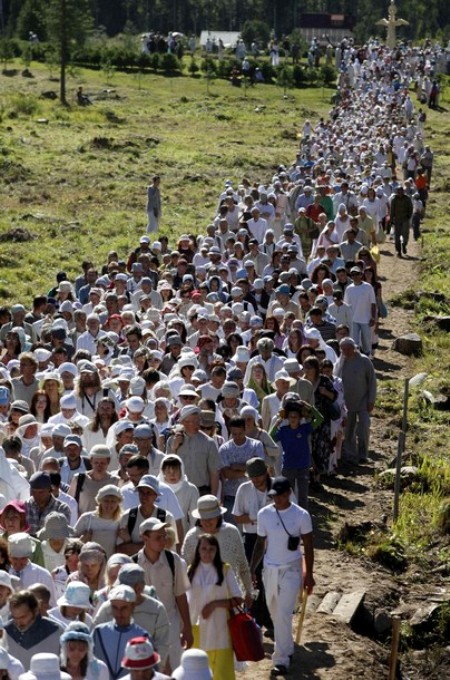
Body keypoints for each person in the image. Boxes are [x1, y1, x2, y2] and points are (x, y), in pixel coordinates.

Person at [250, 477, 314, 675]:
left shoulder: (301, 515)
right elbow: (260, 543)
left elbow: (309, 547)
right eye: (274, 496)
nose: (276, 499)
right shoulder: (264, 514)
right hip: (269, 569)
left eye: (280, 495)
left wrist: (309, 574)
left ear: (288, 494)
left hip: (291, 569)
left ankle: (281, 659)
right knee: (274, 611)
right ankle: (287, 648)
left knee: (284, 613)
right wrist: (253, 568)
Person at [135, 518, 193, 669]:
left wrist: (187, 628)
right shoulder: (132, 564)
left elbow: (181, 597)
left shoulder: (174, 561)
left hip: (170, 629)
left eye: (164, 536)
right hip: (141, 629)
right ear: (144, 538)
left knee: (172, 670)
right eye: (158, 537)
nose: (164, 540)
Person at [93, 564, 171, 674]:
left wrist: (151, 673)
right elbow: (95, 639)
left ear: (139, 588)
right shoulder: (108, 607)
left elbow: (162, 646)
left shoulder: (157, 609)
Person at [187, 535, 243, 680]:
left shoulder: (225, 570)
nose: (207, 553)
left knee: (222, 673)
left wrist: (214, 605)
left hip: (220, 630)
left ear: (217, 551)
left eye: (211, 549)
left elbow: (238, 599)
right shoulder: (190, 571)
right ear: (198, 550)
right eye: (204, 549)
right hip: (196, 631)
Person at [182, 496, 253, 607]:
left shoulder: (232, 532)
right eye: (204, 518)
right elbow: (184, 571)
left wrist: (248, 592)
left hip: (230, 598)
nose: (207, 521)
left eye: (211, 517)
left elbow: (243, 565)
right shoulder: (191, 537)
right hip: (200, 600)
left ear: (218, 516)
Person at [270, 398, 323, 508]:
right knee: (288, 495)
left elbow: (319, 418)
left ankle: (303, 517)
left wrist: (307, 405)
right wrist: (276, 424)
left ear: (300, 418)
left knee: (303, 495)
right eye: (290, 417)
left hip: (303, 466)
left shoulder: (305, 428)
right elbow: (270, 438)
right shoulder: (283, 430)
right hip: (288, 467)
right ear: (287, 418)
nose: (293, 419)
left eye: (295, 417)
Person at [333, 337, 377, 464]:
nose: (346, 351)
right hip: (346, 403)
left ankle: (363, 454)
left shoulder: (364, 361)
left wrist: (371, 400)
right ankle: (351, 455)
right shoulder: (340, 363)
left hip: (363, 400)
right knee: (349, 429)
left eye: (348, 348)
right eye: (343, 349)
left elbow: (372, 382)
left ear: (354, 348)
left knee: (363, 426)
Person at [92, 585, 149, 680]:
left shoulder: (143, 637)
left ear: (133, 607)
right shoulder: (98, 633)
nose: (119, 613)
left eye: (124, 608)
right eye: (115, 608)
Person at [4, 591, 61, 668]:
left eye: (23, 617)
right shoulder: (4, 632)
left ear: (35, 611)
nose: (18, 623)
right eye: (15, 618)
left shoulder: (57, 632)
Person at [74, 485, 123, 558]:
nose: (109, 504)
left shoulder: (122, 521)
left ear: (118, 502)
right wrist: (81, 541)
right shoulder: (87, 518)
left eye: (113, 501)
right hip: (89, 564)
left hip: (112, 563)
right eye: (106, 500)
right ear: (99, 501)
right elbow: (70, 541)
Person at [343, 266, 377, 358]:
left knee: (366, 340)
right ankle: (357, 358)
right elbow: (346, 305)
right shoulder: (349, 288)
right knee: (355, 341)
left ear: (361, 275)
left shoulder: (368, 287)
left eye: (357, 274)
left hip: (366, 319)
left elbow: (373, 303)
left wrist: (373, 317)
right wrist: (346, 319)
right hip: (353, 319)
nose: (355, 276)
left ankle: (367, 356)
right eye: (353, 274)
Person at [389, 185, 413, 257]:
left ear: (403, 191)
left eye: (401, 191)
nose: (400, 193)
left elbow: (411, 207)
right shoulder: (394, 199)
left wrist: (409, 215)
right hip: (397, 220)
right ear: (397, 192)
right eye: (398, 191)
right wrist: (391, 220)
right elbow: (392, 210)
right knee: (397, 236)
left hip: (405, 219)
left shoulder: (407, 199)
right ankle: (398, 250)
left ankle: (404, 245)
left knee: (405, 235)